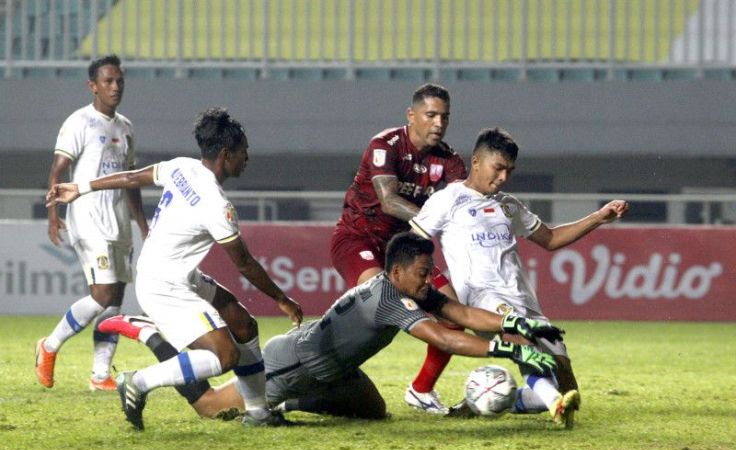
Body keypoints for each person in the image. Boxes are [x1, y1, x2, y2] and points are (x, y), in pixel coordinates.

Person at [97, 233, 573, 425]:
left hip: (337, 368)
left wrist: (519, 327)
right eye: (424, 272)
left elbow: (462, 314)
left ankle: (288, 405)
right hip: (296, 360)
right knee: (208, 407)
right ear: (398, 270)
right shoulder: (388, 299)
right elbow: (445, 336)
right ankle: (148, 333)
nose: (431, 280)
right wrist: (508, 353)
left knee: (372, 411)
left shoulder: (408, 287)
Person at [46, 107, 303, 430]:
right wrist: (282, 299)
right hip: (164, 285)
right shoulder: (216, 204)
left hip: (174, 273)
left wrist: (81, 187)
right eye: (243, 152)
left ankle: (258, 413)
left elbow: (130, 177)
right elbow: (245, 263)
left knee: (243, 324)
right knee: (224, 356)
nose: (247, 158)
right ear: (226, 155)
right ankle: (138, 381)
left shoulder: (182, 167)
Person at [408, 127, 629, 426]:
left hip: (523, 298)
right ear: (476, 162)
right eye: (497, 168)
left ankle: (491, 400)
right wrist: (430, 288)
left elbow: (550, 239)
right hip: (484, 299)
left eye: (509, 171)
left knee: (564, 376)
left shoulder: (509, 205)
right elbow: (412, 244)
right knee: (523, 344)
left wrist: (599, 217)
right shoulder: (448, 200)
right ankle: (554, 405)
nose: (503, 178)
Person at [330, 83, 468, 413]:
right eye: (431, 115)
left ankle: (421, 390)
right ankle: (321, 367)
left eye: (444, 117)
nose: (438, 123)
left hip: (405, 252)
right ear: (412, 115)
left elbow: (461, 207)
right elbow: (389, 201)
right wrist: (435, 218)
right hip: (357, 240)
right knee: (382, 302)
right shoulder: (385, 145)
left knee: (453, 311)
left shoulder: (449, 162)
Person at [35, 54, 149, 391]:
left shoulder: (126, 127)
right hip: (87, 219)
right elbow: (57, 171)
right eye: (108, 81)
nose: (115, 87)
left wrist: (142, 224)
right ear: (93, 86)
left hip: (119, 223)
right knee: (100, 295)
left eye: (119, 81)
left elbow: (129, 181)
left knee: (114, 299)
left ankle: (100, 375)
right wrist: (53, 214)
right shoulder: (79, 122)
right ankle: (49, 345)